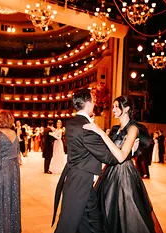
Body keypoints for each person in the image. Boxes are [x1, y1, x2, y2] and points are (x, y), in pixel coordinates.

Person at [83, 95, 163, 233]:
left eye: (116, 106)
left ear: (126, 108)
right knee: (104, 210)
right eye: (113, 106)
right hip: (109, 172)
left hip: (124, 175)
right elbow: (107, 152)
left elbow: (120, 157)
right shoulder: (115, 129)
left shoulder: (133, 129)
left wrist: (101, 132)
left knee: (127, 213)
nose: (113, 109)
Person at [52, 89, 120, 233]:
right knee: (74, 224)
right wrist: (128, 151)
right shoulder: (86, 127)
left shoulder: (71, 123)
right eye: (93, 101)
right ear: (88, 103)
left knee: (86, 221)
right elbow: (108, 157)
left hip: (76, 179)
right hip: (81, 182)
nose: (95, 103)